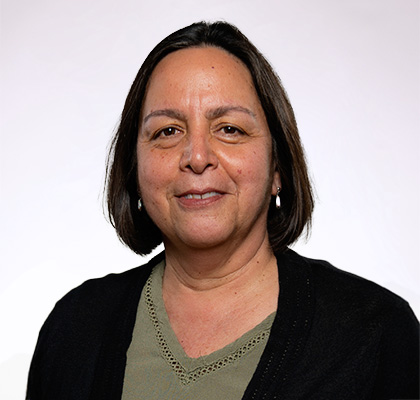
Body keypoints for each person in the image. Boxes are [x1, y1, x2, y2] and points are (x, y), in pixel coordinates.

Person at [26, 21, 419, 400]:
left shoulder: (377, 334)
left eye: (230, 129)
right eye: (167, 131)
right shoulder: (74, 327)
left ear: (277, 168)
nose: (197, 157)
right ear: (135, 168)